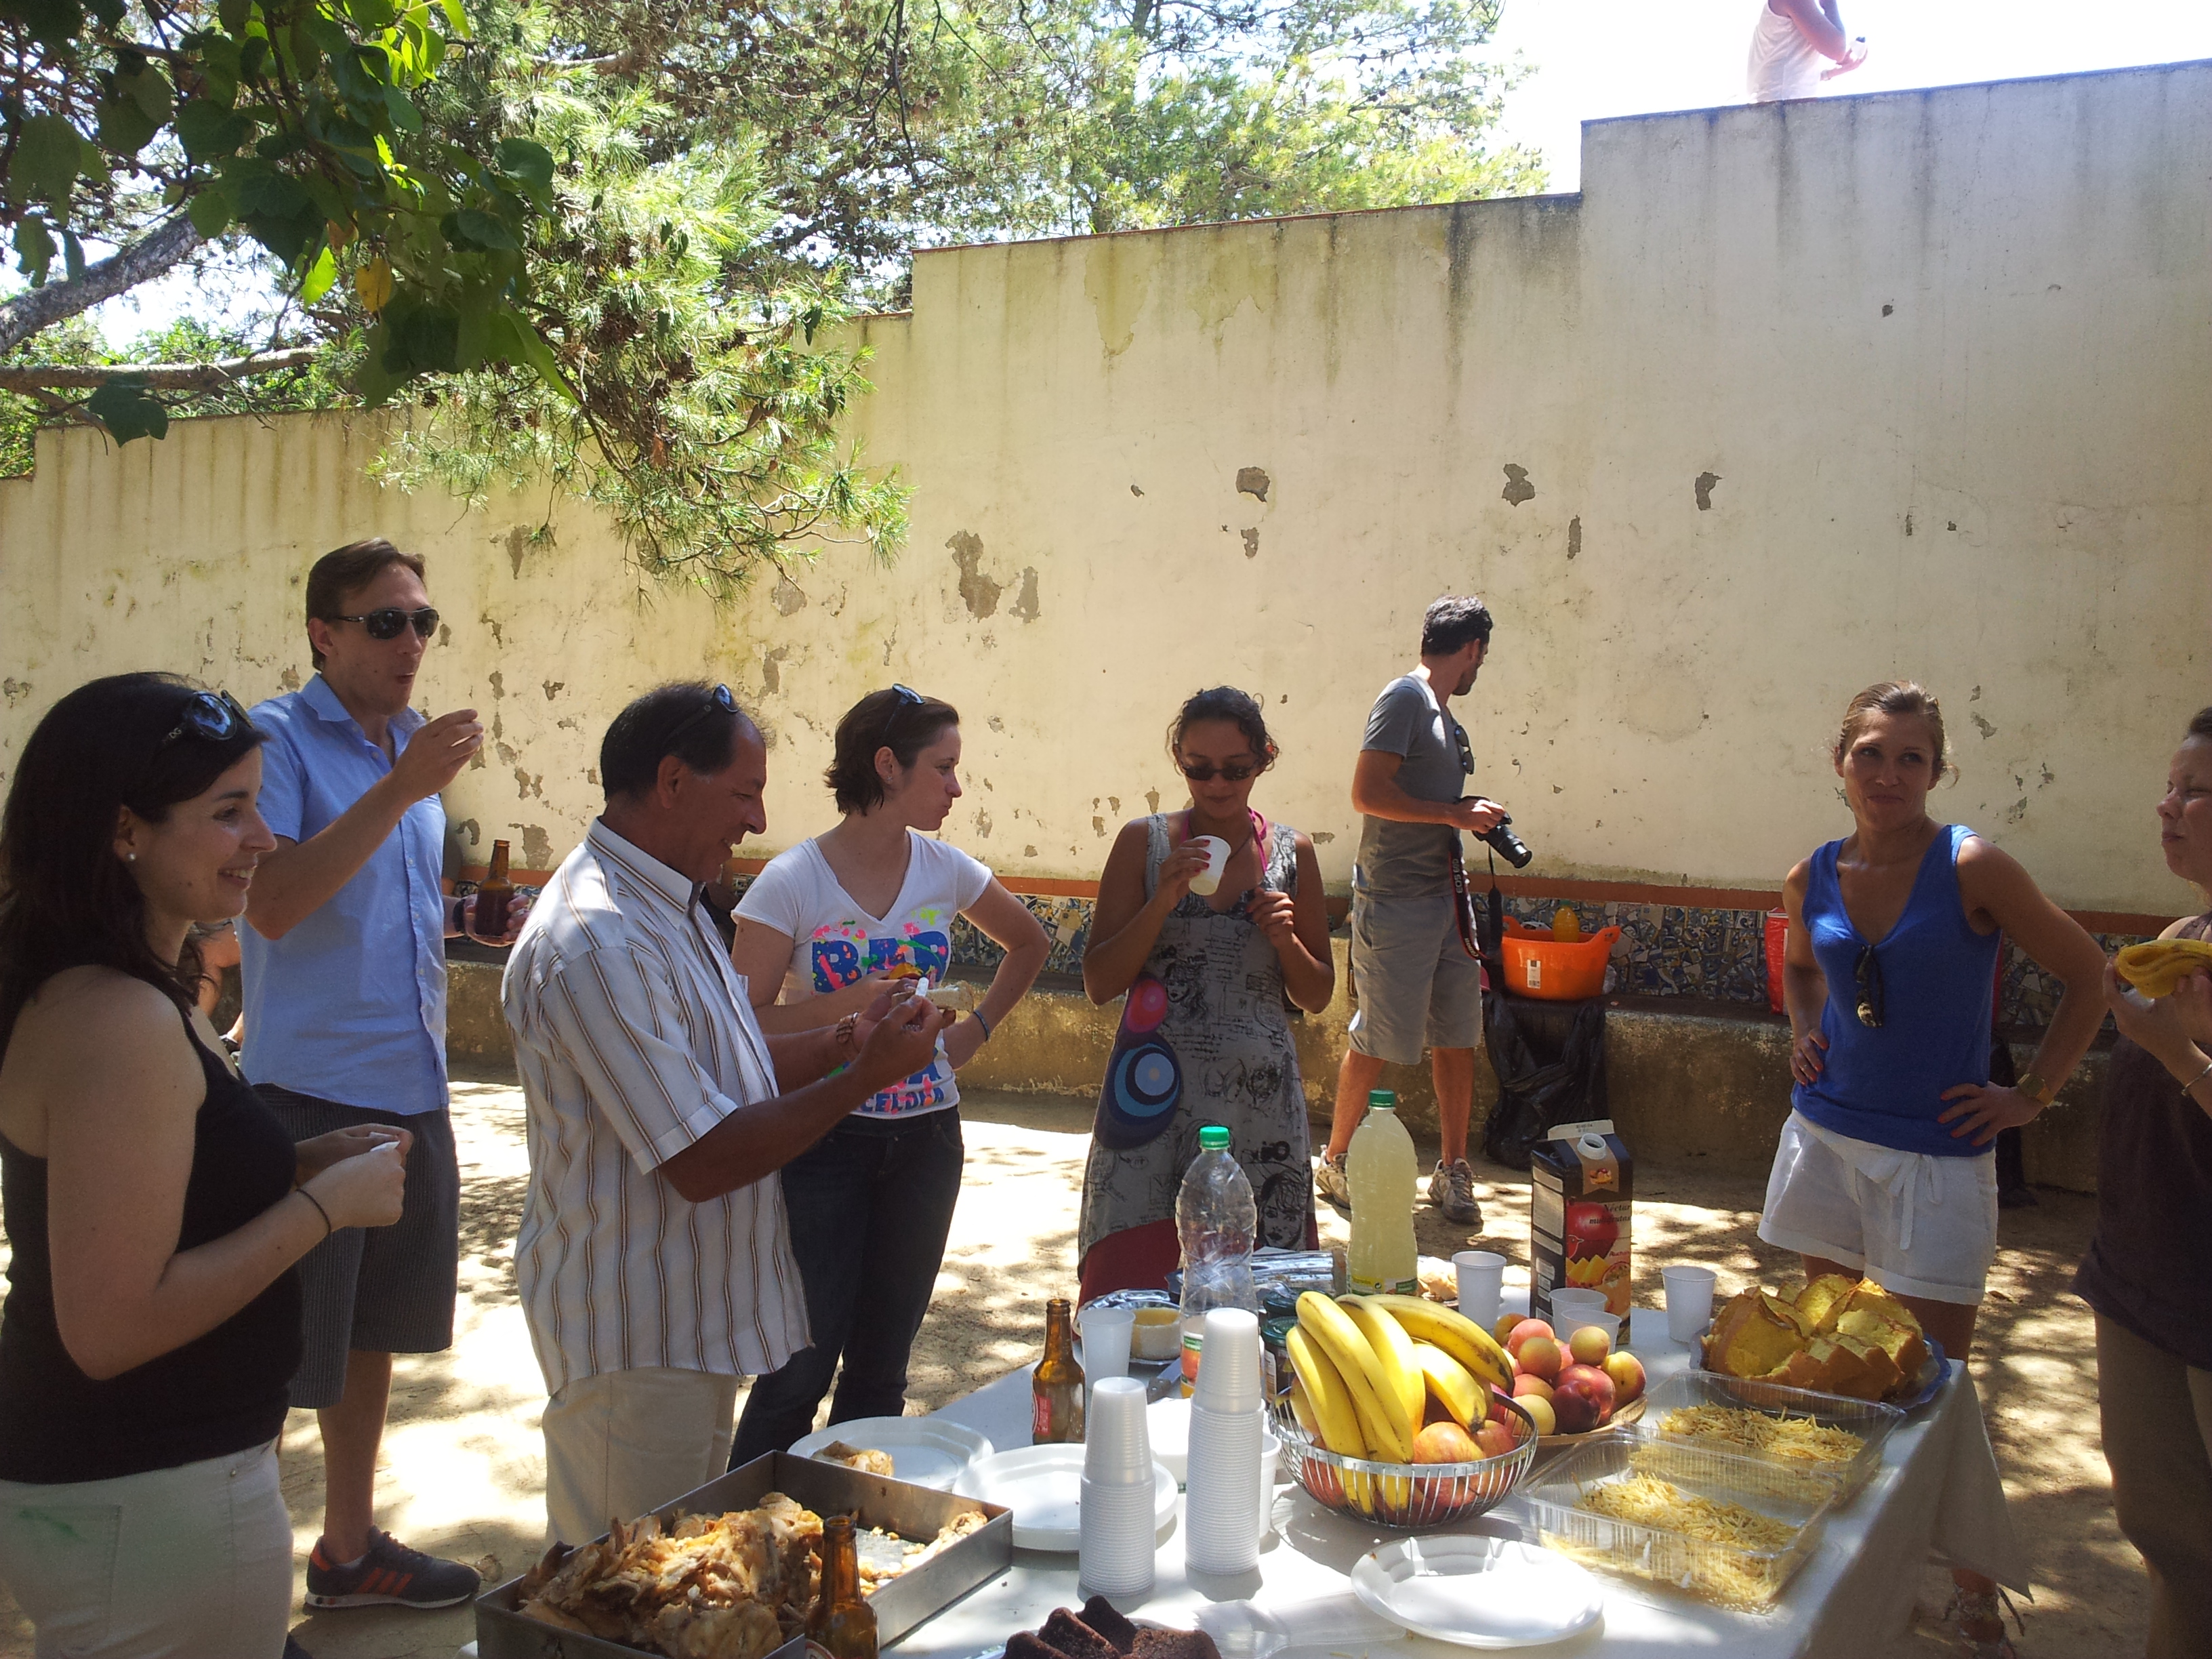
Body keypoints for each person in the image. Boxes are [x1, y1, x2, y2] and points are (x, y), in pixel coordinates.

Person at [0, 674, 407, 1658]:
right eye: (230, 813)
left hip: (142, 1488)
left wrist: (304, 1161)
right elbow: (111, 1324)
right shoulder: (118, 1020)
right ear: (125, 831)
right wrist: (323, 1210)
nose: (264, 839)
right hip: (148, 1495)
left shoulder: (141, 988)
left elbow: (161, 1189)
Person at [504, 683, 951, 1544]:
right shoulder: (596, 941)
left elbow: (722, 1068)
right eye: (744, 791)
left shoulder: (669, 904)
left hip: (685, 1332)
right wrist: (866, 1079)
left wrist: (844, 1043)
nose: (756, 819)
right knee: (622, 1603)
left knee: (679, 1584)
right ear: (673, 781)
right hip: (633, 1343)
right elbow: (701, 1155)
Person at [1764, 680, 2104, 1659]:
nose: (1888, 774)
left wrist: (2031, 1097)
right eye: (1870, 753)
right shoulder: (1813, 874)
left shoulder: (1974, 868)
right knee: (1834, 1371)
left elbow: (2089, 975)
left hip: (1938, 1157)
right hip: (1826, 1140)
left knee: (1937, 1384)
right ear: (1841, 763)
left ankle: (1972, 1597)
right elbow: (1798, 969)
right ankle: (1842, 1567)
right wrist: (1801, 1031)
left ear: (1936, 770)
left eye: (1910, 758)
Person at [239, 538, 520, 1613]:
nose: (411, 643)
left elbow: (373, 908)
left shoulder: (411, 749)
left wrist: (468, 920)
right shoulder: (276, 738)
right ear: (325, 631)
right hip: (311, 1091)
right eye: (385, 621)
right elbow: (271, 904)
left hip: (412, 1087)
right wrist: (403, 789)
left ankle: (347, 1556)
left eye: (422, 622)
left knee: (371, 1339)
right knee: (277, 1360)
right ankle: (243, 1596)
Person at [727, 687, 1049, 1462]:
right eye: (942, 768)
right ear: (886, 766)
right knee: (797, 1367)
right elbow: (737, 1026)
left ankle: (851, 1541)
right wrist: (846, 1009)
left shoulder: (944, 869)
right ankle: (743, 1534)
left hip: (926, 1139)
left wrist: (974, 1031)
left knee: (881, 1372)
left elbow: (1030, 943)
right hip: (825, 1137)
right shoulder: (793, 881)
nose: (956, 787)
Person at [1078, 688, 1335, 1301]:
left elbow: (1318, 993)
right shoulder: (1144, 845)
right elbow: (1099, 982)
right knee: (1134, 1292)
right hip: (1151, 1104)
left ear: (1264, 760)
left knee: (1261, 1301)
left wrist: (1285, 939)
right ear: (1178, 759)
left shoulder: (1292, 854)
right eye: (1198, 769)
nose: (1217, 784)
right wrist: (1161, 901)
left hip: (1261, 1110)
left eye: (1236, 769)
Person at [2082, 707, 2212, 1659]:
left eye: (2195, 791)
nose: (2167, 807)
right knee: (2172, 1544)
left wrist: (2180, 1056)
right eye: (2172, 786)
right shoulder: (2185, 936)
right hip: (2143, 1283)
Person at [1315, 595, 1502, 1228]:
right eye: (1482, 656)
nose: (1480, 668)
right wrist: (1453, 813)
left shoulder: (1448, 721)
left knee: (1457, 1036)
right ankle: (1335, 1160)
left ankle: (1453, 1170)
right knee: (1380, 1039)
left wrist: (1465, 810)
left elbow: (1418, 797)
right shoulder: (1404, 699)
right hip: (1395, 902)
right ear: (1471, 649)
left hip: (1447, 901)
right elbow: (1367, 793)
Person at [1746, 0, 1866, 103]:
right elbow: (1837, 50)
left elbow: (1787, 72)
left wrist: (1830, 73)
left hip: (1777, 108)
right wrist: (1830, 4)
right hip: (1781, 111)